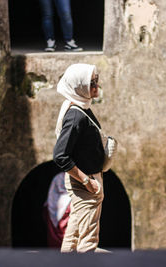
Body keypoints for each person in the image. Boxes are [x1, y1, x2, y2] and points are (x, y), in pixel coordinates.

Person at [53, 63, 104, 252]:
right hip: (86, 182)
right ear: (79, 86)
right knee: (88, 242)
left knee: (73, 235)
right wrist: (87, 182)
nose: (96, 86)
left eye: (96, 80)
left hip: (86, 181)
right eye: (91, 82)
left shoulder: (80, 107)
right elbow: (60, 156)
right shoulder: (76, 116)